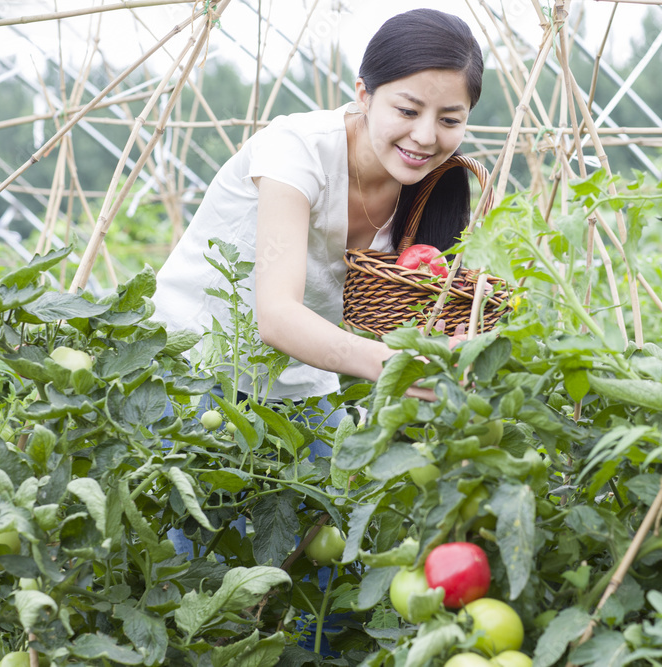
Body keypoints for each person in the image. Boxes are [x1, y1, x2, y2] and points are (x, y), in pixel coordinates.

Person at [151, 8, 484, 404]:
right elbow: (276, 316)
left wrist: (451, 343)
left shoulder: (433, 187)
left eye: (449, 120)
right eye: (407, 111)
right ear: (365, 95)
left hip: (300, 379)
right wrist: (388, 364)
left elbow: (415, 311)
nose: (425, 136)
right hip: (190, 361)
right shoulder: (298, 148)